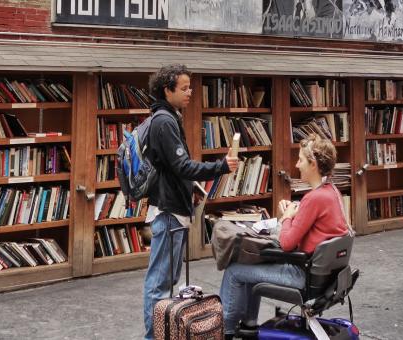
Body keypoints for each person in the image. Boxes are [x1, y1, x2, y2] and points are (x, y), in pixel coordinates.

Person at [142, 64, 239, 340]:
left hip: (171, 208)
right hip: (169, 211)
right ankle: (154, 336)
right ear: (167, 90)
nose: (190, 93)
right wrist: (221, 166)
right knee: (159, 284)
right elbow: (182, 166)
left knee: (165, 281)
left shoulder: (168, 117)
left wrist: (191, 188)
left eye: (190, 87)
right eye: (184, 88)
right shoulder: (164, 121)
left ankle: (161, 334)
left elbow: (173, 169)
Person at [219, 134, 350, 337]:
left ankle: (223, 332)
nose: (297, 165)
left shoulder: (313, 198)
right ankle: (249, 326)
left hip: (302, 275)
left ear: (313, 164)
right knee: (251, 268)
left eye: (301, 160)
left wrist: (287, 217)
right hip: (325, 278)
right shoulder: (332, 192)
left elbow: (287, 244)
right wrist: (296, 215)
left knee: (234, 271)